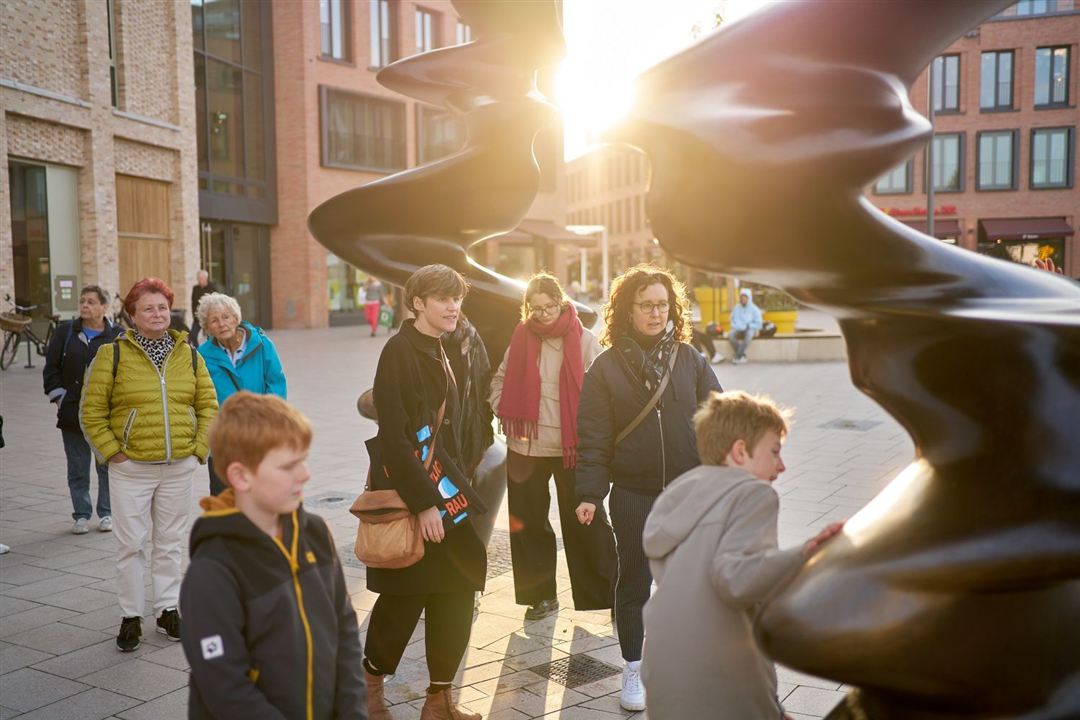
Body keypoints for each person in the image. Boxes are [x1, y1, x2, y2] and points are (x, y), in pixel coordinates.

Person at [640, 391, 843, 718]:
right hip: (720, 673)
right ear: (739, 451)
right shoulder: (754, 493)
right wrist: (806, 554)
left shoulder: (679, 495)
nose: (781, 466)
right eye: (774, 451)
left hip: (663, 670)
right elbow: (735, 580)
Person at [574, 264, 722, 711]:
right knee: (635, 580)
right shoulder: (605, 368)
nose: (656, 314)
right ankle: (633, 667)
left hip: (686, 490)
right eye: (646, 306)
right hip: (632, 492)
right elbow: (593, 436)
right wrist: (589, 493)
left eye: (663, 305)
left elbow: (719, 418)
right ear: (627, 309)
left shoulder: (690, 359)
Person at [180, 392, 366, 719]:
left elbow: (345, 631)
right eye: (288, 466)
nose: (305, 474)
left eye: (303, 460)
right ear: (241, 476)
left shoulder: (315, 533)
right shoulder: (212, 569)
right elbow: (225, 687)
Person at [363, 264, 486, 720]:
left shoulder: (440, 345)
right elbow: (394, 438)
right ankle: (368, 685)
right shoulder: (399, 351)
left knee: (459, 583)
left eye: (457, 298)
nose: (454, 307)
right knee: (405, 591)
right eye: (443, 299)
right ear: (418, 303)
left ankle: (439, 699)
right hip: (417, 490)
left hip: (445, 485)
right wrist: (425, 504)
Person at [80, 277, 218, 652]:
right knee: (131, 545)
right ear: (132, 315)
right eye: (148, 308)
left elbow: (208, 405)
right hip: (131, 468)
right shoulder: (111, 355)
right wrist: (113, 453)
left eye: (162, 307)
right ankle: (130, 616)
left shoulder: (189, 354)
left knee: (170, 543)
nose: (157, 314)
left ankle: (167, 609)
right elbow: (91, 412)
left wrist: (198, 449)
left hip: (178, 467)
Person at [490, 272, 616, 620]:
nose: (543, 314)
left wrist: (592, 430)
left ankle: (609, 593)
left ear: (562, 303)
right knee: (527, 524)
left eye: (549, 307)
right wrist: (505, 407)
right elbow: (499, 379)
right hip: (525, 447)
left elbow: (606, 390)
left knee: (586, 522)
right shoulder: (521, 337)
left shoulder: (584, 339)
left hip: (571, 448)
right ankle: (540, 597)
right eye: (536, 308)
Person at [43, 285, 124, 534]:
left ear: (104, 307)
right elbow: (51, 369)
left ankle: (107, 513)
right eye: (82, 301)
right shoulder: (66, 332)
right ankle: (81, 514)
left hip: (106, 415)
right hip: (72, 413)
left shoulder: (118, 335)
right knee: (77, 467)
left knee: (106, 465)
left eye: (91, 301)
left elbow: (126, 372)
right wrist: (61, 398)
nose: (85, 306)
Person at [196, 292, 287, 495]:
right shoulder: (202, 356)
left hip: (259, 433)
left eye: (226, 317)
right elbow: (201, 396)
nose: (222, 323)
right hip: (223, 438)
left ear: (236, 318)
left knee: (261, 494)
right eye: (214, 320)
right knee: (224, 498)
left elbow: (276, 383)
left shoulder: (261, 344)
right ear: (207, 328)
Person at [729, 287, 763, 364]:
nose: (743, 299)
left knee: (749, 336)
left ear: (749, 298)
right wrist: (736, 326)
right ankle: (742, 355)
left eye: (745, 297)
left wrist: (749, 325)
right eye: (742, 297)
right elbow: (732, 320)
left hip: (750, 327)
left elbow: (759, 323)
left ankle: (737, 355)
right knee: (731, 335)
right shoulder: (736, 308)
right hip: (738, 328)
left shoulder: (754, 309)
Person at [189, 270, 220, 345]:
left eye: (201, 278)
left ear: (206, 278)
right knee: (193, 335)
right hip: (198, 317)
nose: (199, 280)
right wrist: (194, 316)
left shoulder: (212, 287)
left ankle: (211, 348)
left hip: (209, 316)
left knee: (211, 336)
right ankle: (197, 350)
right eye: (198, 278)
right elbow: (193, 303)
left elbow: (217, 302)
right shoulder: (195, 288)